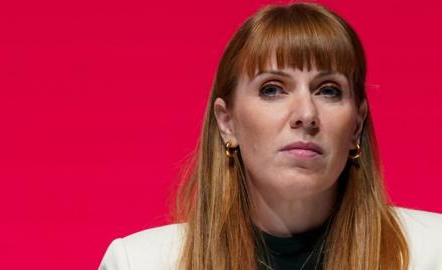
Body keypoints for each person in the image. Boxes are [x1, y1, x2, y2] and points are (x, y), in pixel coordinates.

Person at [98, 2, 442, 270]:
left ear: (356, 124)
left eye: (328, 90)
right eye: (273, 89)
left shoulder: (433, 252)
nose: (306, 114)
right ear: (226, 122)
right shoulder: (140, 262)